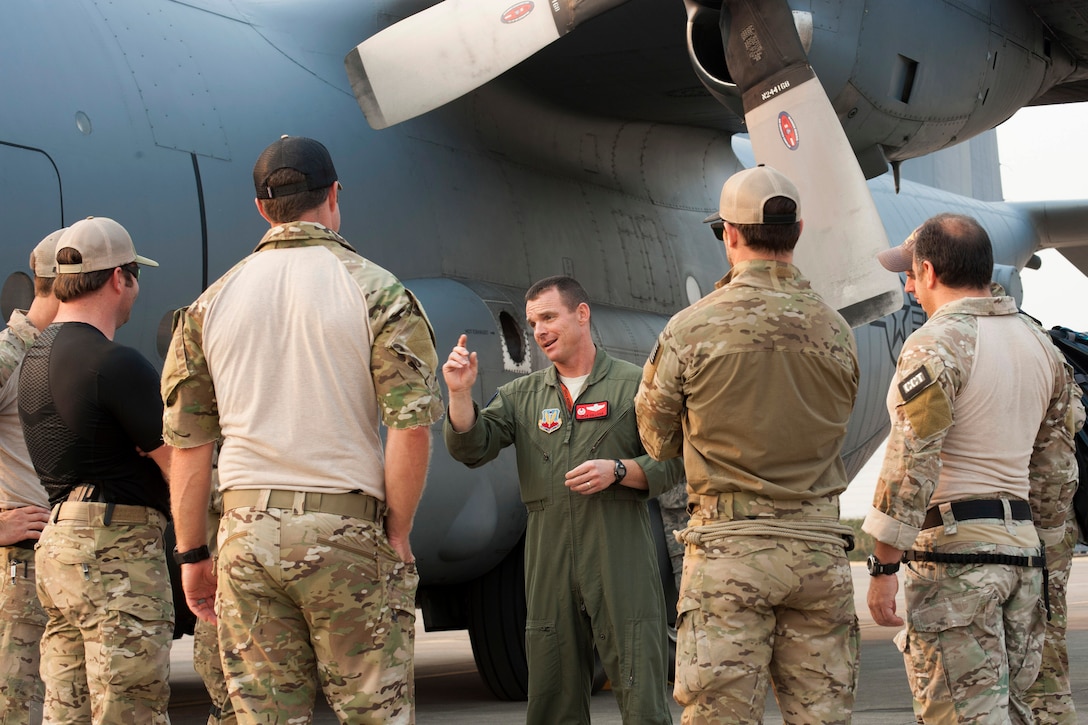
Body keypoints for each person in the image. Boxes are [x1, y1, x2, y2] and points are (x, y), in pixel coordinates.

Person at [161, 135, 443, 724]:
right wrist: (396, 532)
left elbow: (188, 448)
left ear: (262, 209)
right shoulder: (379, 292)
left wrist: (192, 554)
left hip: (244, 537)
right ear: (334, 196)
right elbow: (409, 429)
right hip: (346, 527)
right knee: (374, 711)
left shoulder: (208, 306)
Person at [635, 165, 861, 724]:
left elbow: (656, 441)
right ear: (798, 230)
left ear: (730, 235)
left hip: (730, 554)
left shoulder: (691, 328)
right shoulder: (836, 330)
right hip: (818, 554)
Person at [863, 213, 1083, 724]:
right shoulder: (1040, 346)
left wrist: (884, 565)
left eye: (911, 274)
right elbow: (1055, 473)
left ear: (931, 273)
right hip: (1023, 561)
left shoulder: (935, 343)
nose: (909, 286)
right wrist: (1043, 564)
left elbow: (911, 458)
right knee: (1014, 710)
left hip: (958, 563)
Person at [443, 274, 681, 724]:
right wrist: (459, 394)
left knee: (643, 696)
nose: (539, 331)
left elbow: (671, 462)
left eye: (549, 317)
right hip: (549, 560)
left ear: (582, 314)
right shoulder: (522, 397)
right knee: (552, 698)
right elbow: (472, 446)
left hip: (620, 556)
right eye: (533, 322)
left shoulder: (634, 387)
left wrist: (618, 470)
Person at [17, 216, 173, 723]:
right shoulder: (114, 363)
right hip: (115, 555)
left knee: (67, 711)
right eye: (135, 275)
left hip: (58, 550)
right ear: (117, 278)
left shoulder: (33, 359)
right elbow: (182, 464)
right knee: (130, 707)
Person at [0, 229, 63, 724]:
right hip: (20, 563)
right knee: (17, 707)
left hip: (60, 557)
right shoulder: (10, 355)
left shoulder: (62, 352)